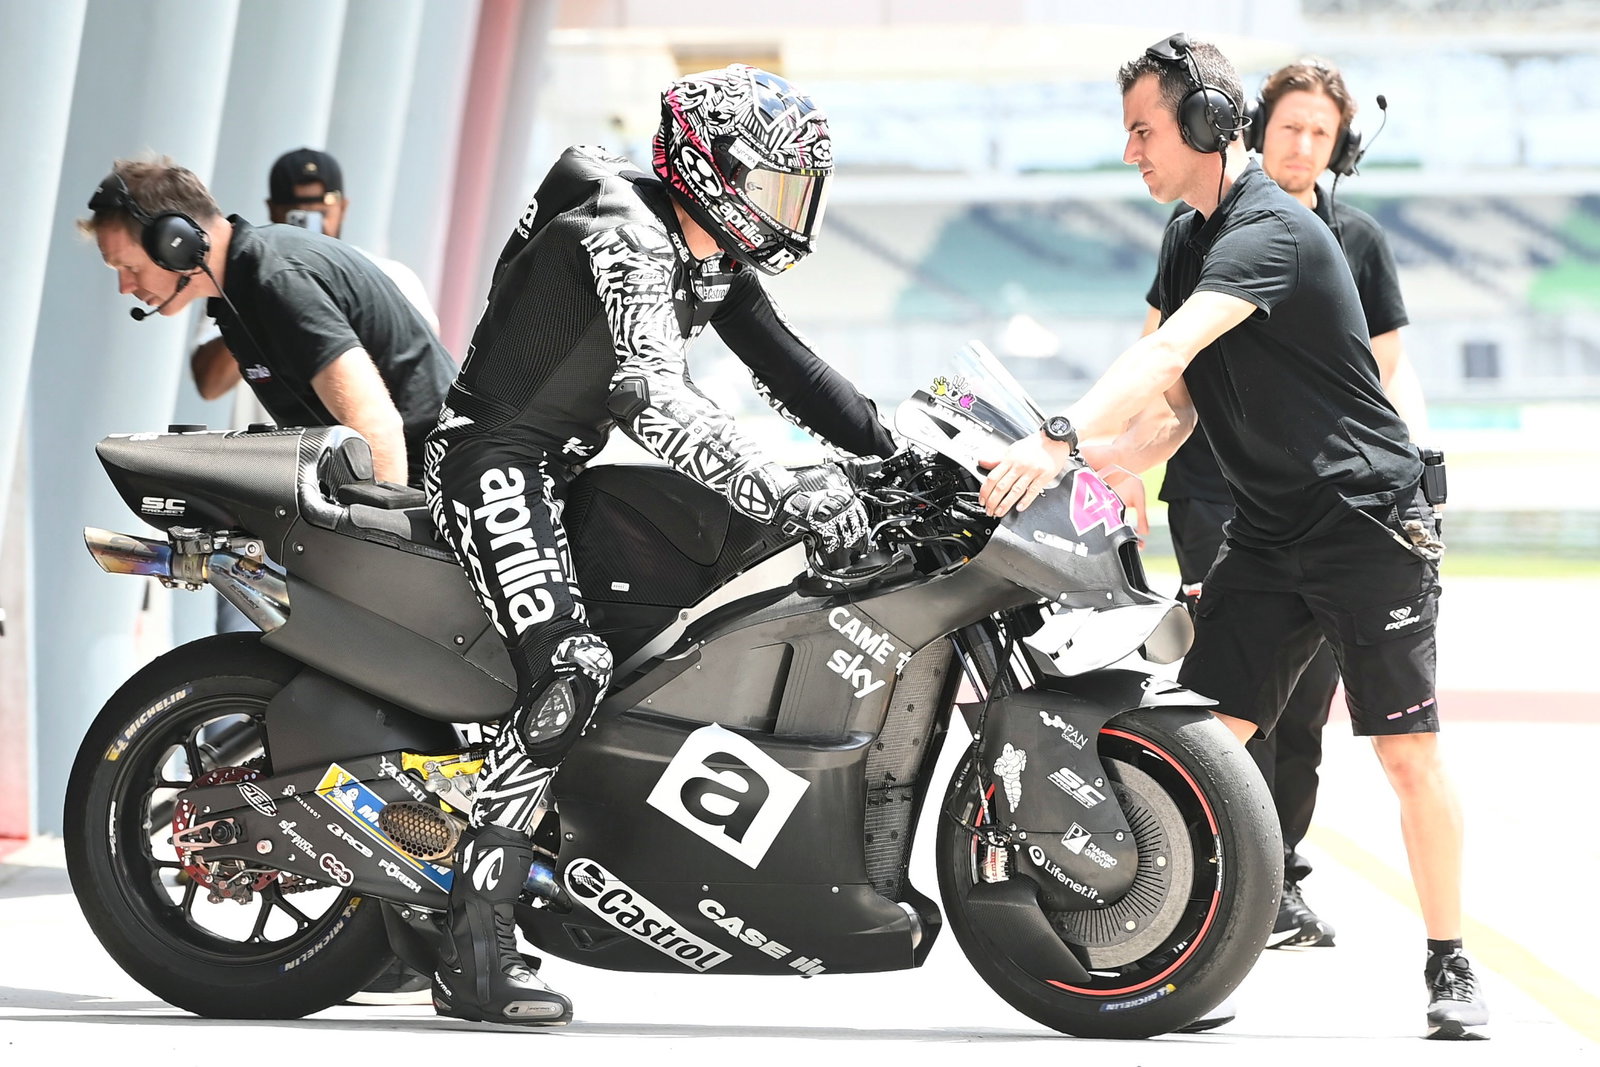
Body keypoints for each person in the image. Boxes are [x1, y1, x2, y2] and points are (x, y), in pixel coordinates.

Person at [980, 34, 1486, 1040]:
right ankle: (1181, 944)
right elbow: (1174, 404)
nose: (1129, 149)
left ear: (1209, 125)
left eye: (1143, 129)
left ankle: (1450, 962)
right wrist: (1093, 468)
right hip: (1265, 533)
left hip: (1365, 526)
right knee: (1202, 746)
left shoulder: (1271, 231)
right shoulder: (1188, 233)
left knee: (1403, 752)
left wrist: (1058, 434)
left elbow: (1172, 344)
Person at [422, 64, 895, 1026]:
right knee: (572, 667)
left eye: (794, 189)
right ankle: (472, 944)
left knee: (721, 577)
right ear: (710, 167)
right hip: (493, 460)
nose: (784, 207)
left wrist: (898, 454)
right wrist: (790, 484)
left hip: (564, 469)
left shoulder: (703, 248)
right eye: (771, 183)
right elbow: (653, 399)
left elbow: (794, 369)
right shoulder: (628, 238)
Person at [1149, 58, 1430, 954]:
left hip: (1334, 501)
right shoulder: (1195, 232)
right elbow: (1161, 358)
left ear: (1341, 146)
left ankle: (1278, 875)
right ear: (1249, 129)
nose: (1304, 144)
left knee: (1304, 712)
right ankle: (1216, 900)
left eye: (1321, 132)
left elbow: (1376, 368)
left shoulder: (1346, 240)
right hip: (1217, 493)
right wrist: (1102, 455)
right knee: (1223, 707)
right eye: (1290, 126)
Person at [84, 155, 453, 489]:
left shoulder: (277, 280)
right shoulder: (239, 293)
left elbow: (375, 424)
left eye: (129, 268)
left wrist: (378, 545)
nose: (125, 287)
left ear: (174, 243)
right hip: (419, 482)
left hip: (439, 485)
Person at [190, 147, 442, 412]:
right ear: (273, 210)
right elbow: (209, 385)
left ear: (343, 208)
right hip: (274, 448)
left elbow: (420, 370)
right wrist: (269, 298)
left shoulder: (389, 275)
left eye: (320, 211)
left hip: (364, 442)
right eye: (297, 213)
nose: (310, 223)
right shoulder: (237, 281)